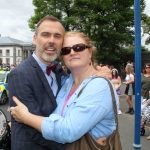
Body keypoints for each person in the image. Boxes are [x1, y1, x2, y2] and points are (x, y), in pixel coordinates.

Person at [9, 16, 111, 150]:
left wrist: (103, 73)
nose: (51, 41)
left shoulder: (61, 72)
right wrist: (81, 146)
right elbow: (32, 127)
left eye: (57, 36)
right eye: (45, 35)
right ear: (35, 39)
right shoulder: (20, 74)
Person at [141, 63, 150, 140]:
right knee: (143, 112)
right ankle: (142, 127)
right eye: (146, 68)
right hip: (142, 96)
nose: (147, 69)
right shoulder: (142, 75)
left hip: (149, 97)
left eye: (149, 67)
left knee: (147, 113)